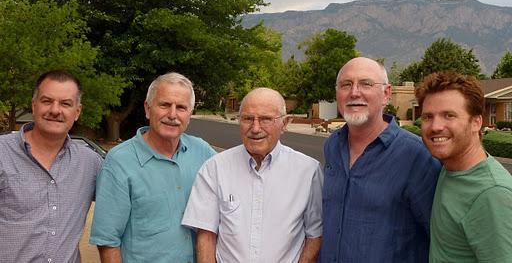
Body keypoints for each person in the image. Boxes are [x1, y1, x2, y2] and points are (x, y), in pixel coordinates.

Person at [320, 57, 441, 263]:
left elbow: (439, 239)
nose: (354, 92)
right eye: (346, 85)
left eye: (366, 84)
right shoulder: (333, 145)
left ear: (386, 94)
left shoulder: (418, 156)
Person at [182, 87, 323, 263]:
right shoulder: (215, 168)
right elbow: (206, 236)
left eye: (265, 119)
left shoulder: (308, 171)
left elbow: (315, 235)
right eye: (248, 119)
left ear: (285, 123)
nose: (255, 128)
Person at [89, 72, 216, 263]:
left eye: (181, 107)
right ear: (148, 109)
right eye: (164, 105)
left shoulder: (203, 152)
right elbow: (107, 241)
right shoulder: (120, 161)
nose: (172, 115)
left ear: (189, 115)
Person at [0, 70, 102, 263]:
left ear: (77, 112)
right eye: (47, 101)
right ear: (34, 105)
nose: (55, 110)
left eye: (65, 103)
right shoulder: (2, 153)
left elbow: (128, 201)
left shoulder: (91, 164)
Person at [415, 71, 512, 262]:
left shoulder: (492, 195)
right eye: (428, 117)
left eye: (449, 115)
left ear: (476, 122)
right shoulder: (450, 167)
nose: (435, 126)